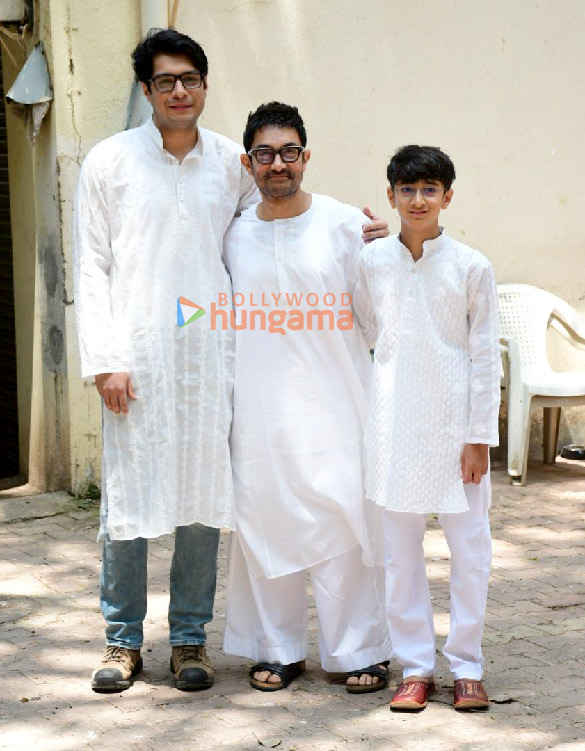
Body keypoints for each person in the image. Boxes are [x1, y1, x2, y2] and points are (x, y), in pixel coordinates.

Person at [74, 28, 261, 692]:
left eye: (190, 79)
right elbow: (91, 267)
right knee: (126, 500)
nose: (179, 91)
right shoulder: (110, 162)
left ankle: (189, 639)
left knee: (202, 498)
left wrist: (353, 232)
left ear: (205, 86)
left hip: (208, 356)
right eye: (164, 81)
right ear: (146, 90)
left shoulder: (232, 165)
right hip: (137, 358)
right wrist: (106, 358)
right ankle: (121, 640)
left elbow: (268, 237)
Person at [221, 102, 391, 693]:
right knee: (265, 522)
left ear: (305, 157)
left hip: (337, 404)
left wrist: (386, 254)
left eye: (288, 151)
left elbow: (376, 320)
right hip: (260, 411)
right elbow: (204, 314)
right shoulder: (231, 234)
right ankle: (277, 648)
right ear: (248, 162)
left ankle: (360, 649)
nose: (277, 163)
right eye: (264, 154)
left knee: (346, 524)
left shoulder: (349, 226)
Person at [357, 145, 500, 711]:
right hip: (393, 430)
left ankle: (467, 664)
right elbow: (368, 332)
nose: (418, 200)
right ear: (391, 195)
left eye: (429, 190)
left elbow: (486, 359)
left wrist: (478, 437)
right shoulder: (370, 263)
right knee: (400, 557)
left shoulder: (471, 266)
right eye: (407, 190)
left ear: (447, 197)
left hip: (456, 434)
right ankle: (415, 666)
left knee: (470, 554)